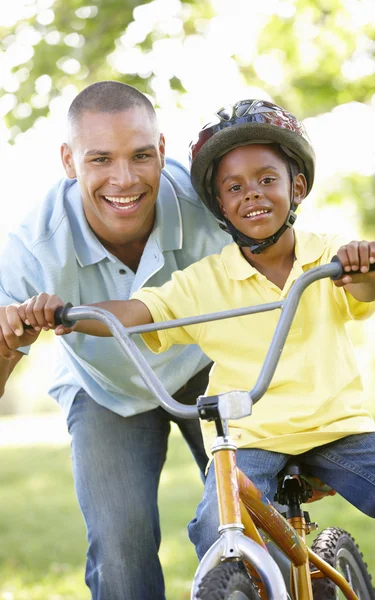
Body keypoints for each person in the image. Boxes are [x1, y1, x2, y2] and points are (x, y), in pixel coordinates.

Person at [7, 99, 375, 599]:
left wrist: (366, 269)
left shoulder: (326, 255)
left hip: (339, 429)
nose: (251, 195)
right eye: (234, 188)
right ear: (218, 206)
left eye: (266, 181)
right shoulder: (204, 281)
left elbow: (366, 291)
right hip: (249, 434)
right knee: (215, 527)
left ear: (296, 187)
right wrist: (66, 311)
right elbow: (137, 313)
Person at [0, 81, 231, 600]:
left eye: (140, 156)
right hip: (104, 385)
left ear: (163, 152)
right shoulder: (32, 246)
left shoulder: (209, 202)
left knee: (235, 520)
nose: (123, 179)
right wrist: (10, 343)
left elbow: (280, 270)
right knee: (119, 551)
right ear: (68, 160)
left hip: (211, 366)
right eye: (100, 159)